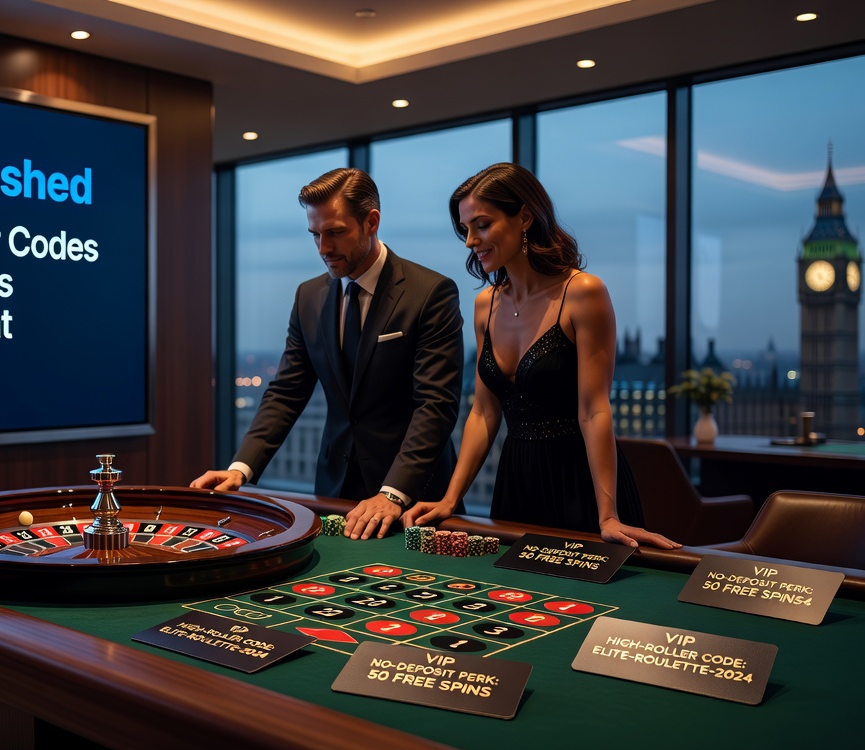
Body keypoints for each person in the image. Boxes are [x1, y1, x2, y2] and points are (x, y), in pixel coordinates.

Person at [402, 162, 680, 549]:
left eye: (482, 225)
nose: (470, 241)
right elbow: (483, 413)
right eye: (465, 229)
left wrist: (608, 515)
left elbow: (594, 410)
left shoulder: (583, 293)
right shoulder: (485, 304)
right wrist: (450, 498)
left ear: (525, 217)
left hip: (577, 480)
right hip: (515, 481)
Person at [192, 168, 464, 540]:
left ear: (371, 222)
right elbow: (286, 392)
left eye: (335, 232)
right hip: (335, 492)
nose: (323, 248)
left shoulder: (430, 292)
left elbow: (435, 405)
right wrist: (241, 469)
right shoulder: (309, 296)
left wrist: (392, 493)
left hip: (412, 499)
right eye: (315, 235)